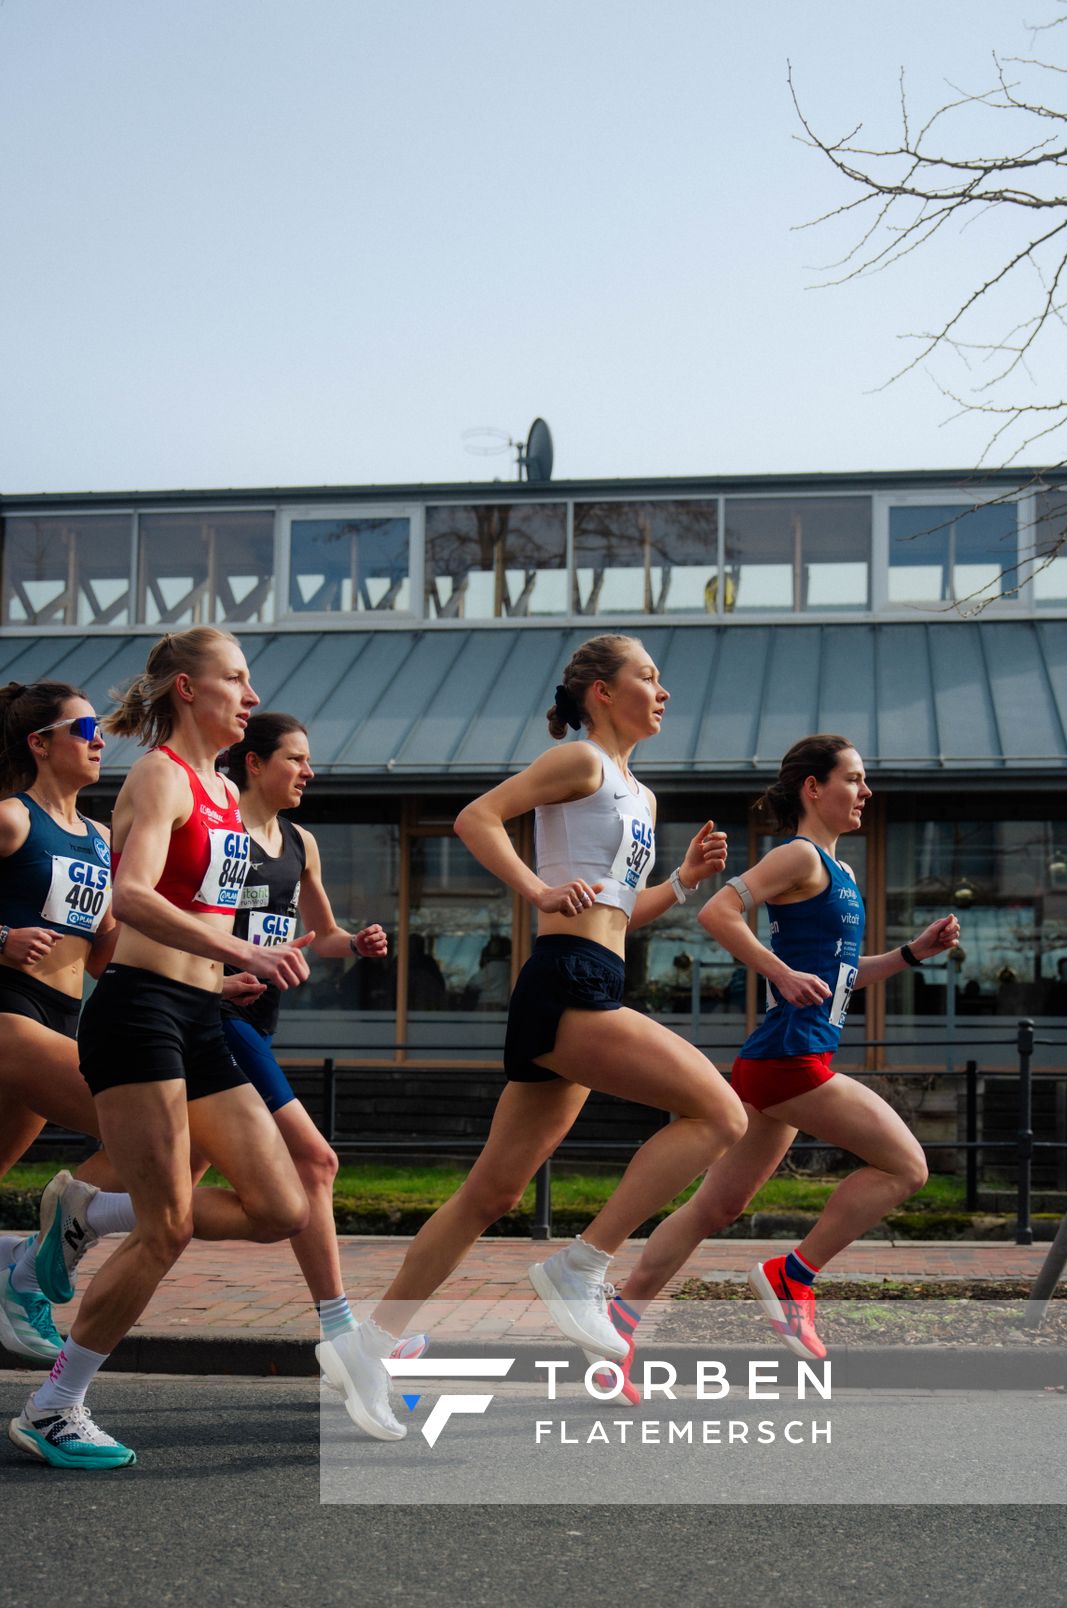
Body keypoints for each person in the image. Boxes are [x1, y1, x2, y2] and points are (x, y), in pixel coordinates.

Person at [359, 632, 745, 1377]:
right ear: (602, 691)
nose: (663, 692)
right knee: (721, 1114)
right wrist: (535, 889)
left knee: (492, 1192)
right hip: (565, 980)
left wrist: (686, 880)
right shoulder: (580, 760)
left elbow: (618, 913)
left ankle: (370, 1343)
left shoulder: (642, 793)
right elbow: (478, 817)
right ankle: (584, 1264)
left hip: (595, 972)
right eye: (649, 677)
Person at [7, 627, 312, 1471]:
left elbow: (223, 917)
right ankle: (55, 1406)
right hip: (139, 1014)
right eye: (235, 679)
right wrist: (240, 952)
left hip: (202, 1014)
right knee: (168, 1224)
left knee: (280, 1207)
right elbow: (134, 897)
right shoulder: (159, 775)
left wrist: (241, 964)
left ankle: (83, 1210)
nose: (250, 696)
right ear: (186, 688)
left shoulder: (225, 793)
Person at [602, 734, 960, 1397]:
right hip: (792, 1061)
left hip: (782, 1057)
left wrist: (911, 954)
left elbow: (845, 975)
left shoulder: (839, 872)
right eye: (853, 779)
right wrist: (780, 972)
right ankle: (793, 1276)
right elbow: (719, 910)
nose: (866, 792)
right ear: (814, 789)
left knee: (719, 1205)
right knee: (907, 1166)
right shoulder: (797, 854)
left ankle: (618, 1321)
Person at [205, 709, 409, 1441]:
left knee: (162, 1194)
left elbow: (321, 934)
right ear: (254, 763)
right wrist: (210, 979)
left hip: (261, 1023)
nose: (308, 771)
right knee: (316, 1160)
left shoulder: (301, 842)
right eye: (295, 758)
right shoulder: (218, 825)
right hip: (213, 1018)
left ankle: (61, 1231)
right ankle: (344, 1337)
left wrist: (357, 940)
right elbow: (171, 918)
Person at [0, 681, 134, 1361]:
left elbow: (106, 946)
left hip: (63, 1017)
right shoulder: (12, 820)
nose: (100, 741)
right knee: (145, 1131)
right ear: (41, 743)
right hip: (7, 1013)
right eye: (85, 730)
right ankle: (32, 1264)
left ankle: (13, 1265)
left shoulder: (100, 838)